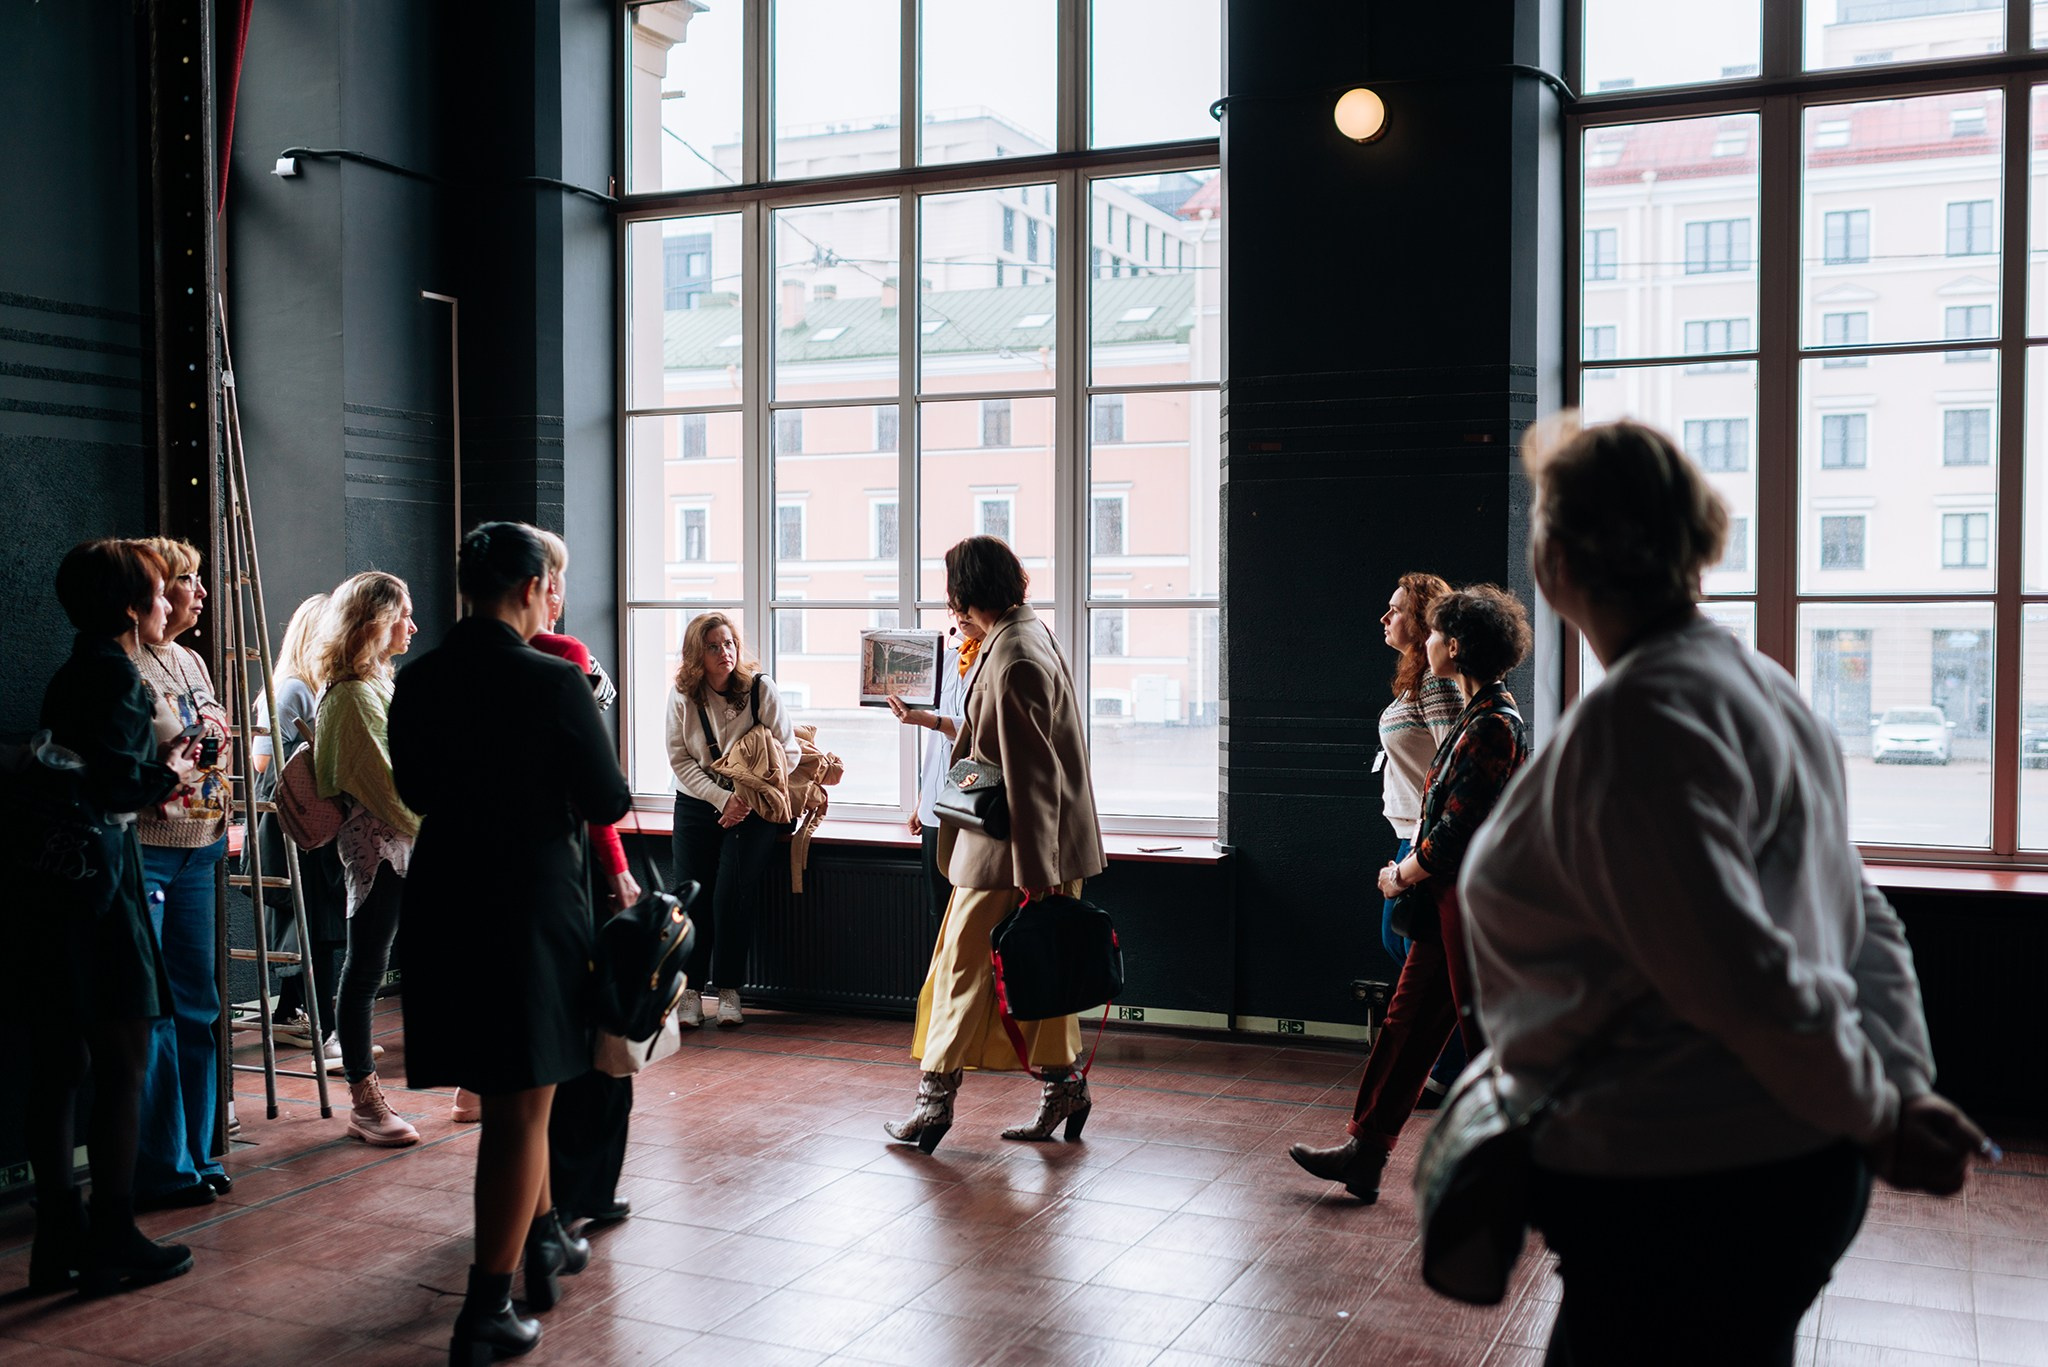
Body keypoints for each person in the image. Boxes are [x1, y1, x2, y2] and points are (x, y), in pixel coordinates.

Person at [1460, 416, 1986, 1366]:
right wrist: (1900, 1086)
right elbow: (1860, 915)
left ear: (1556, 559)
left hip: (1686, 1188)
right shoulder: (1761, 687)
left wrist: (1882, 1113)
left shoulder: (1637, 726)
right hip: (1761, 1176)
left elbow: (1740, 976)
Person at [389, 522, 634, 1365]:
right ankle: (486, 1308)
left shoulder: (417, 678)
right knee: (522, 1105)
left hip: (445, 896)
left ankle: (544, 1234)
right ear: (532, 588)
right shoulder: (553, 679)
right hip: (530, 905)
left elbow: (415, 788)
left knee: (508, 1087)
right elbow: (607, 798)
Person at [1288, 583, 1531, 1201]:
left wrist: (1401, 875)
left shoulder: (1492, 724)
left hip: (1467, 903)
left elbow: (1455, 831)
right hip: (1451, 900)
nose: (1427, 641)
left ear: (1457, 646)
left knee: (1485, 1039)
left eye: (1436, 633)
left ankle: (1523, 1173)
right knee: (1406, 1023)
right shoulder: (1479, 715)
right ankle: (1365, 1152)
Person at [9, 540, 196, 1294]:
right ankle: (113, 1233)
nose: (169, 601)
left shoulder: (68, 672)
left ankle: (57, 1234)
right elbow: (122, 786)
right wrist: (172, 769)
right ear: (130, 605)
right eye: (159, 590)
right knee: (125, 1059)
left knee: (57, 1066)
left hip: (49, 888)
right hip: (104, 886)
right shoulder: (118, 674)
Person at [885, 536, 1107, 1154]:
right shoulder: (1025, 636)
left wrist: (1036, 873)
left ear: (965, 592)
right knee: (1044, 970)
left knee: (958, 967)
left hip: (1012, 851)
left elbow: (1031, 774)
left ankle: (933, 1103)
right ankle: (1065, 1090)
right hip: (1034, 848)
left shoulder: (1011, 654)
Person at [529, 527, 642, 1232]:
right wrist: (619, 871)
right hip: (572, 875)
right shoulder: (564, 657)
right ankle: (586, 1191)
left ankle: (537, 1201)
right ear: (541, 587)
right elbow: (596, 794)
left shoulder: (452, 665)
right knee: (602, 1040)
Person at [129, 536, 234, 1208]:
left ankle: (200, 1153)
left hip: (202, 845)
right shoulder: (123, 662)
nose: (198, 592)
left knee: (200, 1006)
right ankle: (164, 1162)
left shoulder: (191, 659)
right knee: (154, 1011)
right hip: (147, 846)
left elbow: (213, 746)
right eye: (185, 580)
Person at [314, 571, 422, 1147]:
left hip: (403, 847)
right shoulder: (353, 694)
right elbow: (388, 787)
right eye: (404, 615)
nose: (413, 626)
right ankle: (364, 1100)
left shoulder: (374, 683)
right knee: (366, 971)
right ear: (377, 622)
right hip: (381, 852)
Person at [665, 611, 794, 1028]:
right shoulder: (683, 695)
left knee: (730, 897)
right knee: (693, 898)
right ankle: (688, 993)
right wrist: (722, 799)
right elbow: (680, 760)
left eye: (729, 643)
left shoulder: (759, 689)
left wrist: (748, 797)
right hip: (697, 803)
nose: (725, 652)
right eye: (713, 646)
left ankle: (728, 991)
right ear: (696, 655)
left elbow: (789, 752)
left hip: (753, 808)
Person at [1372, 574, 1467, 1105]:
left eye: (1396, 610)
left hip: (1425, 835)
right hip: (1409, 832)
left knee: (1421, 955)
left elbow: (1453, 762)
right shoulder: (1417, 680)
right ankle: (1447, 1064)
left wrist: (1424, 843)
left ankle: (1448, 1070)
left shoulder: (1435, 684)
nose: (1385, 618)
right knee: (1402, 944)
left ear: (1425, 619)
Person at [248, 593, 348, 1065]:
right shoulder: (295, 689)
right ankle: (326, 1034)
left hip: (300, 821)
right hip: (296, 823)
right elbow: (264, 762)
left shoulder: (305, 685)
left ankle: (290, 1014)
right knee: (318, 926)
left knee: (307, 922)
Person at [889, 623, 977, 923]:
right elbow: (936, 743)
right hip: (935, 806)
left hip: (976, 805)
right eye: (955, 609)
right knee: (939, 909)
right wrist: (922, 799)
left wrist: (931, 721)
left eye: (966, 609)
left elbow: (982, 730)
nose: (961, 618)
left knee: (970, 913)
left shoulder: (996, 661)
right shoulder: (949, 659)